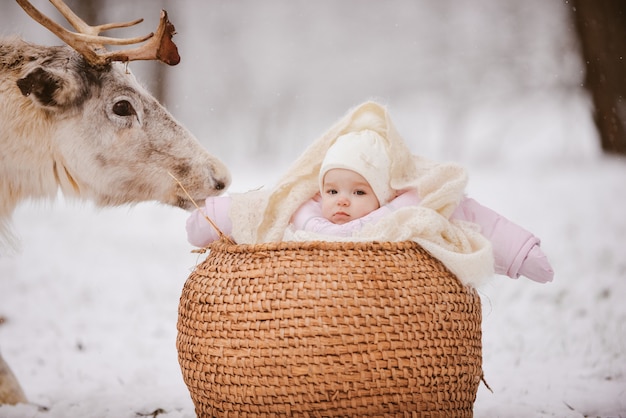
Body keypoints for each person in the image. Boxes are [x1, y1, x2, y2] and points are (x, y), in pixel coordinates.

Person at [186, 129, 554, 284]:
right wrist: (210, 219)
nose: (342, 200)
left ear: (383, 196)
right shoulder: (302, 212)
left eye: (359, 193)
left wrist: (521, 253)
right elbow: (257, 207)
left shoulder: (404, 214)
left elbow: (466, 213)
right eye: (332, 191)